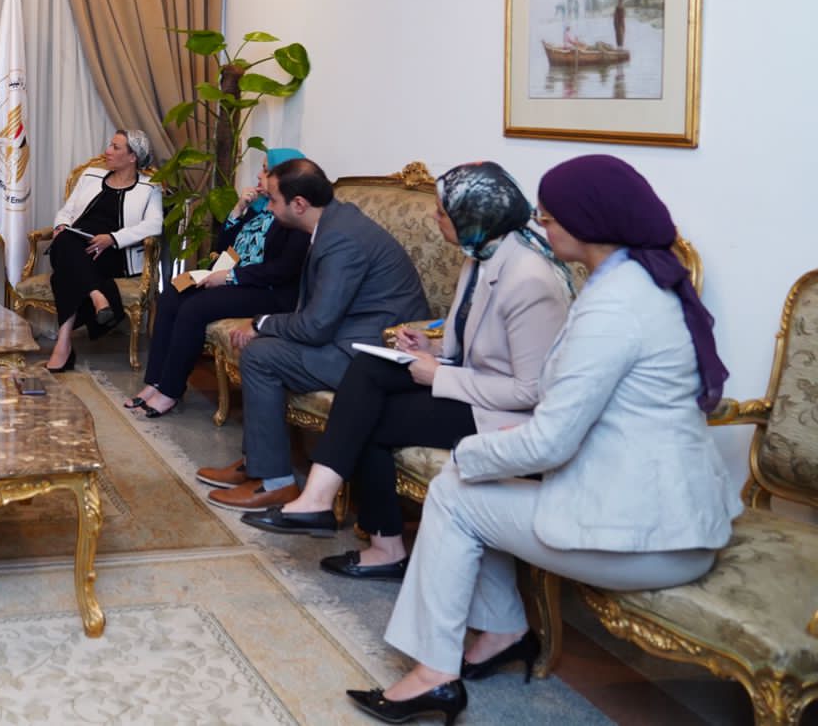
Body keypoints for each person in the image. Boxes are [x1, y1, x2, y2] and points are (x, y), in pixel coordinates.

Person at [346, 155, 738, 725]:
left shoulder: (614, 306)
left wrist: (469, 451)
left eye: (549, 216)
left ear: (588, 224)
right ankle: (503, 632)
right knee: (476, 483)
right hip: (667, 513)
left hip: (645, 536)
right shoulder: (642, 281)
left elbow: (551, 441)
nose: (539, 224)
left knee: (455, 490)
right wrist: (508, 441)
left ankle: (434, 676)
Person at [266, 162, 573, 567]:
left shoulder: (529, 279)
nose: (434, 217)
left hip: (502, 413)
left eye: (443, 212)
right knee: (369, 368)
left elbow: (529, 390)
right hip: (472, 384)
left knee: (369, 416)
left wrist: (439, 374)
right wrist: (432, 345)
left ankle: (377, 543)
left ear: (472, 216)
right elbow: (481, 335)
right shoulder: (483, 253)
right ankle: (324, 504)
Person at [199, 157, 429, 513]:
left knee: (260, 355)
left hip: (369, 355)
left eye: (273, 200)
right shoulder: (334, 222)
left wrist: (261, 323)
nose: (269, 207)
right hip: (349, 333)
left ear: (299, 204)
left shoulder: (340, 240)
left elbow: (317, 325)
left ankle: (273, 482)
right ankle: (259, 461)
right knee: (265, 347)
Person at [127, 148, 309, 417]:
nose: (259, 175)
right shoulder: (259, 207)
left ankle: (170, 391)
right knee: (172, 295)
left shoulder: (292, 216)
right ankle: (154, 382)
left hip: (267, 291)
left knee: (194, 307)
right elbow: (225, 248)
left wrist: (230, 277)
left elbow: (282, 270)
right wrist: (239, 209)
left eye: (266, 170)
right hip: (235, 279)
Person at [40, 129, 164, 372]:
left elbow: (154, 225)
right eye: (110, 145)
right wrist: (61, 225)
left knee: (64, 273)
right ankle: (98, 297)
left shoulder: (150, 188)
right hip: (75, 242)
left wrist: (112, 239)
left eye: (116, 147)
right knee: (65, 240)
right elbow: (67, 211)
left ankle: (63, 346)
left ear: (132, 157)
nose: (107, 151)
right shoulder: (90, 176)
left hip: (112, 253)